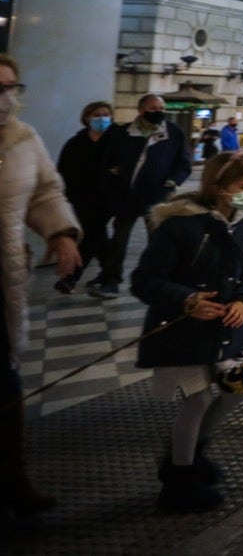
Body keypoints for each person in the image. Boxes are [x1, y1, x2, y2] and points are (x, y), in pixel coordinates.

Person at [132, 151, 243, 512]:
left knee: (236, 390)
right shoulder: (180, 225)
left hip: (228, 329)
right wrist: (187, 299)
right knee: (198, 399)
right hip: (182, 331)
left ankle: (194, 453)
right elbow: (145, 280)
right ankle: (178, 480)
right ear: (219, 186)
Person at [0, 55, 83, 518]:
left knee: (6, 382)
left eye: (12, 87)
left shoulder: (21, 138)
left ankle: (12, 481)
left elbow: (45, 192)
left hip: (4, 279)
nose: (7, 98)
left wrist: (61, 234)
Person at [86, 93, 193, 299]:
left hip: (158, 196)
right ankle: (111, 279)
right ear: (141, 110)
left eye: (161, 108)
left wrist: (173, 180)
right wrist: (112, 174)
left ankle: (159, 278)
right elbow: (105, 158)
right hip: (127, 196)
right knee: (120, 238)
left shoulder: (173, 132)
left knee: (160, 239)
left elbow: (183, 161)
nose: (159, 112)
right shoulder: (122, 132)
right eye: (153, 109)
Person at [53, 100, 114, 294]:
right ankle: (110, 275)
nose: (102, 118)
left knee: (90, 235)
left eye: (106, 114)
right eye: (97, 115)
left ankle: (71, 277)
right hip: (81, 198)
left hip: (107, 198)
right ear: (87, 118)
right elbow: (63, 170)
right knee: (98, 237)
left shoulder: (117, 142)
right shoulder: (76, 143)